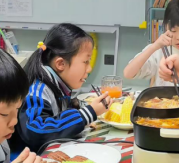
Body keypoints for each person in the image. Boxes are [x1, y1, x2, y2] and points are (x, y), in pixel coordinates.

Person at [16, 23, 110, 153]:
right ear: (60, 64)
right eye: (85, 61)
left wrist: (78, 109)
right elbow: (36, 130)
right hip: (28, 159)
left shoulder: (57, 83)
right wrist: (87, 114)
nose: (89, 69)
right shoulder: (37, 91)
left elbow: (58, 115)